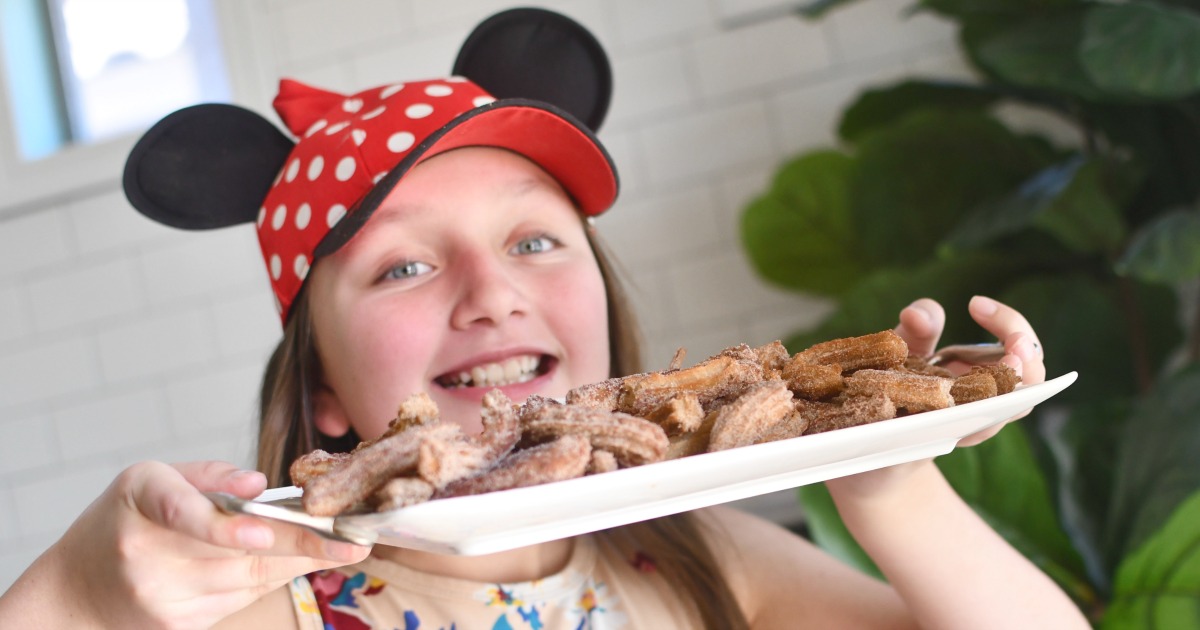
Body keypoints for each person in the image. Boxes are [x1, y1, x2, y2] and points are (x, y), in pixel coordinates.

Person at [0, 8, 1088, 630]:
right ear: (323, 391)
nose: (492, 291)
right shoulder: (260, 604)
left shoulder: (700, 562)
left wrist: (889, 472)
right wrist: (73, 598)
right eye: (403, 267)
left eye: (532, 240)